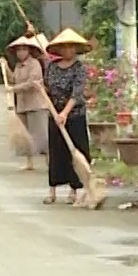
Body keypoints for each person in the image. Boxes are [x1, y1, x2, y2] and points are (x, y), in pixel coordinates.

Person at [42, 28, 93, 205]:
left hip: (74, 115)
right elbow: (47, 87)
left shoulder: (79, 68)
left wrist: (65, 113)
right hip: (54, 115)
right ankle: (52, 191)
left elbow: (77, 93)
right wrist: (41, 89)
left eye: (71, 47)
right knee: (56, 152)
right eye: (64, 47)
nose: (68, 50)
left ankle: (75, 191)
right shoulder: (51, 67)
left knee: (77, 151)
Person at [8, 34, 50, 172]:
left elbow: (32, 83)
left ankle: (50, 160)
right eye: (19, 50)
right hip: (22, 104)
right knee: (24, 135)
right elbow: (13, 79)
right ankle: (29, 161)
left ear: (29, 51)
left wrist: (14, 89)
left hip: (36, 104)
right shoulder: (18, 66)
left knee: (41, 135)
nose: (21, 53)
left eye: (24, 49)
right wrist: (5, 68)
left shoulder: (35, 64)